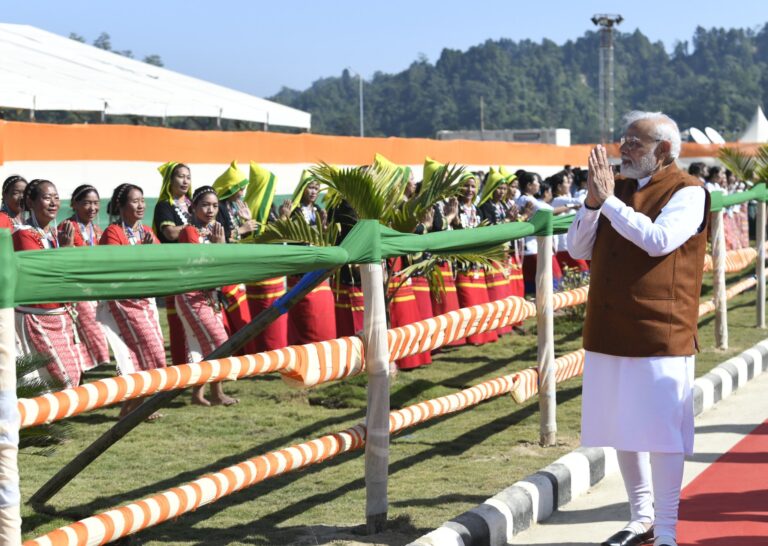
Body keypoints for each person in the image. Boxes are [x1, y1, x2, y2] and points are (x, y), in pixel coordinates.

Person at [566, 111, 709, 546]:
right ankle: (641, 518)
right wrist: (592, 204)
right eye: (623, 141)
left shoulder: (690, 192)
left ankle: (666, 530)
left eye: (634, 143)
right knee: (623, 427)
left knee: (662, 434)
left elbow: (658, 240)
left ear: (664, 152)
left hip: (659, 330)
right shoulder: (616, 188)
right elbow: (576, 248)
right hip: (609, 327)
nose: (623, 150)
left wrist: (608, 201)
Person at [99, 183, 167, 419]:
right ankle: (133, 407)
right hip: (122, 302)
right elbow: (114, 267)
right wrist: (142, 254)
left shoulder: (146, 231)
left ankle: (131, 408)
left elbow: (159, 263)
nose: (140, 205)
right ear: (121, 206)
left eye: (142, 200)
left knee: (152, 354)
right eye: (134, 201)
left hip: (145, 302)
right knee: (147, 352)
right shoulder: (113, 233)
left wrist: (149, 256)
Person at [13, 179, 86, 388]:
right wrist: (64, 251)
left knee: (68, 377)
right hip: (36, 316)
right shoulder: (23, 234)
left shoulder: (57, 234)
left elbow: (73, 270)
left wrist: (66, 250)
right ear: (31, 202)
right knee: (63, 378)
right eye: (47, 198)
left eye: (56, 198)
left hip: (61, 315)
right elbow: (41, 272)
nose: (53, 203)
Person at [177, 186, 239, 406]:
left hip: (211, 295)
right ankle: (216, 392)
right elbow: (199, 264)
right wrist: (218, 247)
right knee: (218, 342)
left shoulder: (215, 229)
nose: (211, 210)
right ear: (193, 207)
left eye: (214, 205)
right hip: (192, 294)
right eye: (205, 205)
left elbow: (224, 263)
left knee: (204, 344)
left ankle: (200, 394)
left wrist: (221, 247)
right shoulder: (188, 232)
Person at [58, 185, 111, 370]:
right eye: (87, 203)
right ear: (75, 204)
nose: (92, 208)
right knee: (88, 332)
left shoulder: (96, 229)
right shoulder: (67, 227)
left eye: (96, 203)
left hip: (95, 289)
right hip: (77, 290)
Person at [153, 161, 193, 368]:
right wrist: (196, 226)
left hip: (197, 268)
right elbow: (169, 232)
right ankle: (181, 367)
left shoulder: (194, 203)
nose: (185, 180)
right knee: (179, 323)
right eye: (180, 176)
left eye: (188, 176)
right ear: (170, 180)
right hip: (177, 270)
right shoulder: (164, 206)